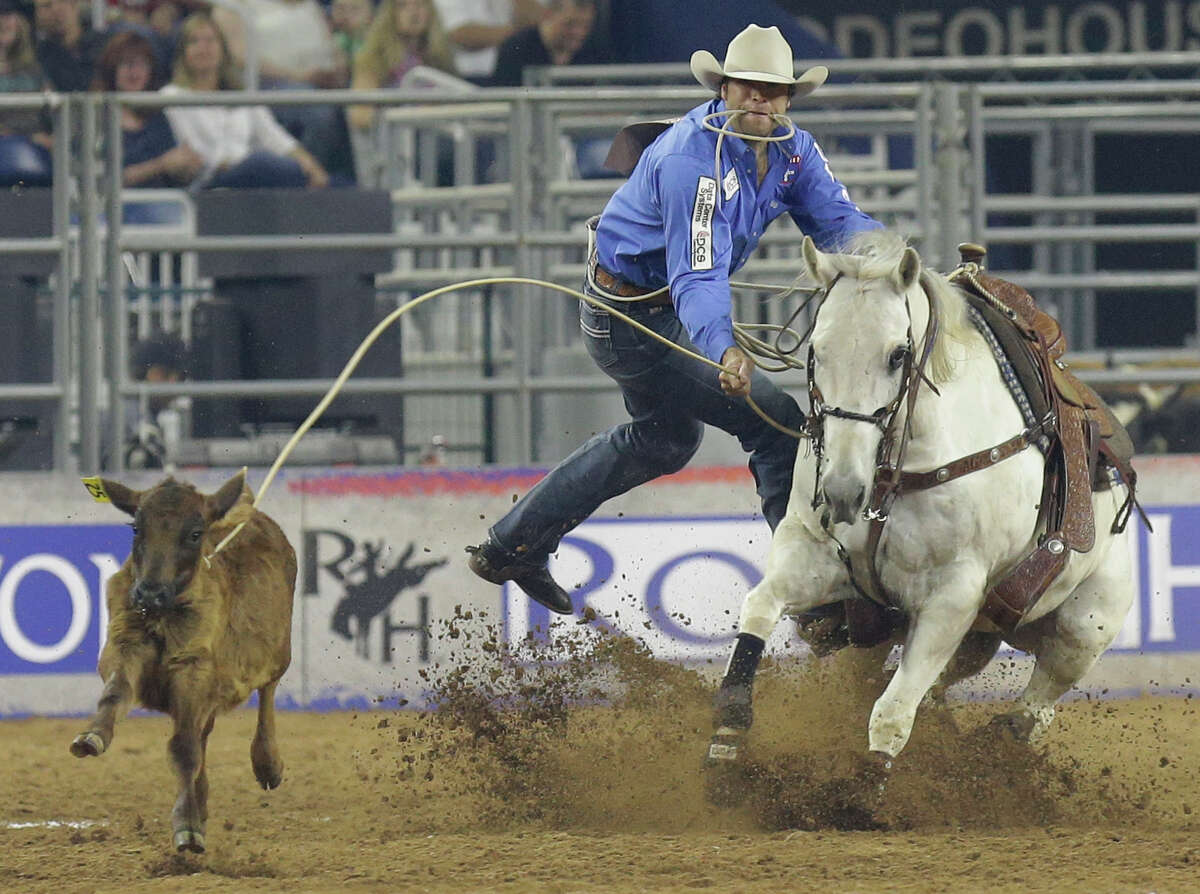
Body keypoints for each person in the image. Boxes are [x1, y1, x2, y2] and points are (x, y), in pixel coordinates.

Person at [467, 24, 882, 614]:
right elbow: (697, 274)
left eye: (772, 89)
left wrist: (902, 267)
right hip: (635, 320)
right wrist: (723, 349)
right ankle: (811, 598)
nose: (759, 99)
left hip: (637, 312)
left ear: (788, 98)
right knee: (776, 423)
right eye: (747, 87)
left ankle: (511, 544)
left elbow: (841, 224)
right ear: (725, 90)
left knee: (665, 441)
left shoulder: (795, 152)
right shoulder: (695, 161)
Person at [161, 12, 329, 189]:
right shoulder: (171, 96)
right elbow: (189, 148)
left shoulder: (240, 95)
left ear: (223, 50)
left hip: (251, 176)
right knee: (263, 163)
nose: (204, 48)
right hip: (207, 182)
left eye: (211, 41)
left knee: (337, 182)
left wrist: (310, 165)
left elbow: (274, 137)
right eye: (194, 41)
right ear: (183, 53)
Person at [92, 29, 203, 189]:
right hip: (114, 206)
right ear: (112, 68)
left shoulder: (157, 116)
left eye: (142, 64)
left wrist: (186, 167)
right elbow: (102, 180)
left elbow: (172, 169)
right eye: (127, 64)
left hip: (163, 202)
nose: (135, 72)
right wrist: (161, 165)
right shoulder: (95, 116)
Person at [347, 0, 455, 132]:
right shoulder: (375, 58)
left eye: (420, 5)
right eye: (403, 5)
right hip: (397, 138)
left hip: (440, 131)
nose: (413, 13)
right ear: (390, 14)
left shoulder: (440, 57)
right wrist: (410, 115)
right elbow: (360, 115)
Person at [490, 0, 608, 88]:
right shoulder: (516, 48)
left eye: (586, 26)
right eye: (570, 24)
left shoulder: (594, 49)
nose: (579, 33)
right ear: (549, 14)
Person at [0, 0, 53, 186]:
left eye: (8, 16)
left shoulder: (37, 69)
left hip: (39, 151)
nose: (3, 22)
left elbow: (53, 114)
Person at [431, 0, 542, 85]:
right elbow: (460, 33)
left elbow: (541, 23)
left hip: (514, 75)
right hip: (467, 79)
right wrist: (522, 37)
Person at [33, 0, 104, 91]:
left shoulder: (104, 45)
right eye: (46, 5)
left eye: (62, 1)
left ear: (75, 5)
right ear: (37, 15)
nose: (56, 9)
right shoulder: (36, 57)